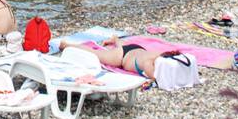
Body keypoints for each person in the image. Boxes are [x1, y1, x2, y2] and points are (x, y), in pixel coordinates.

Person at [59, 35, 198, 79]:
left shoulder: (157, 54)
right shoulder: (149, 64)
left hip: (136, 48)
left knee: (123, 45)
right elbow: (155, 77)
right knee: (96, 54)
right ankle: (68, 45)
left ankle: (115, 40)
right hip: (121, 57)